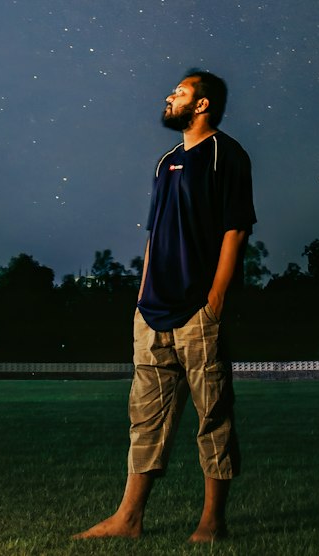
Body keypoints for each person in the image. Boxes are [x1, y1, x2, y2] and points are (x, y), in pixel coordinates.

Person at [74, 69, 256, 543]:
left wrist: (215, 300)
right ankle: (128, 519)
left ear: (202, 105)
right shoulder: (165, 161)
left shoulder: (227, 155)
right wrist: (140, 297)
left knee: (213, 415)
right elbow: (154, 235)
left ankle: (212, 523)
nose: (168, 97)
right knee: (145, 418)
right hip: (152, 313)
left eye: (179, 93)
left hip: (198, 312)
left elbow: (235, 231)